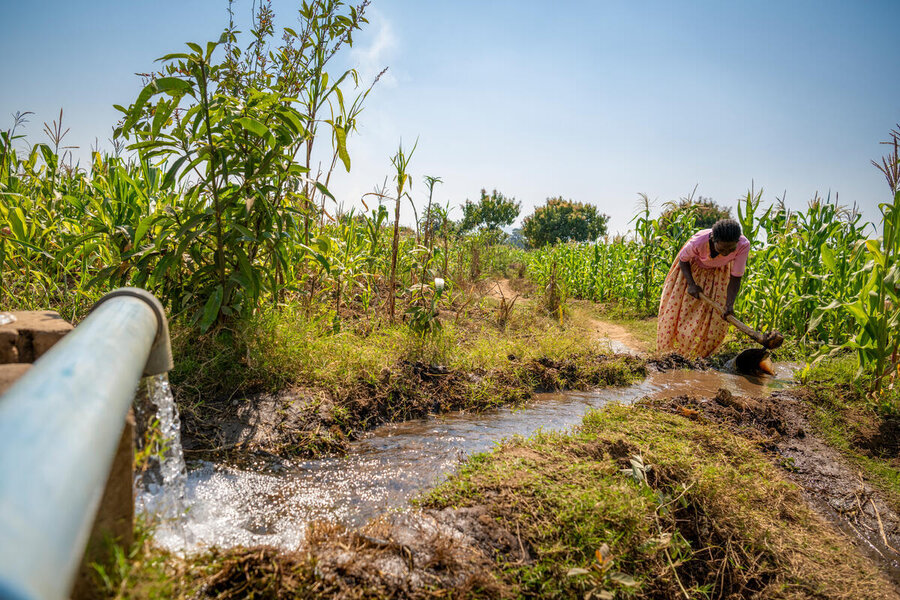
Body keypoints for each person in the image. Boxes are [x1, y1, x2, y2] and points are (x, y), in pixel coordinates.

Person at [657, 219, 750, 358]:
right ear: (713, 240)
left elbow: (736, 276)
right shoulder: (699, 242)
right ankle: (673, 352)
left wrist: (729, 304)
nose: (726, 252)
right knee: (682, 312)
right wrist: (692, 284)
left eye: (731, 249)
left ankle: (702, 355)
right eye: (722, 248)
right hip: (691, 269)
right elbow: (683, 260)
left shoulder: (743, 245)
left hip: (719, 273)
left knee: (714, 317)